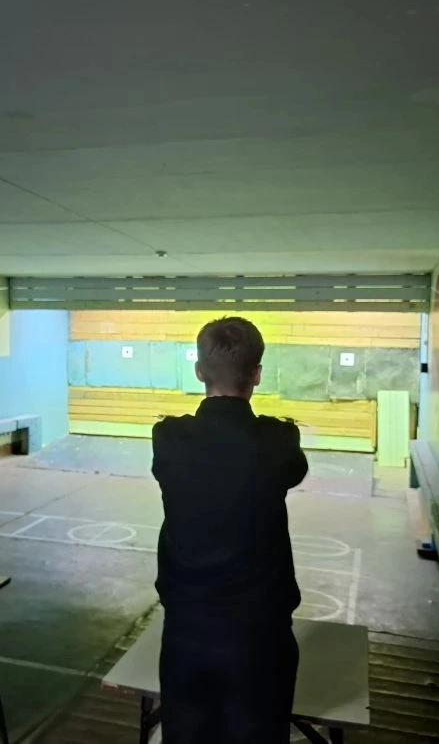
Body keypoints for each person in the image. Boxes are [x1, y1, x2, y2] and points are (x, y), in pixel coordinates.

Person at [151, 317, 309, 743]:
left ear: (199, 371)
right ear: (256, 374)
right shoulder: (279, 439)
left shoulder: (169, 438)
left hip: (186, 631)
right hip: (261, 634)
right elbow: (294, 472)